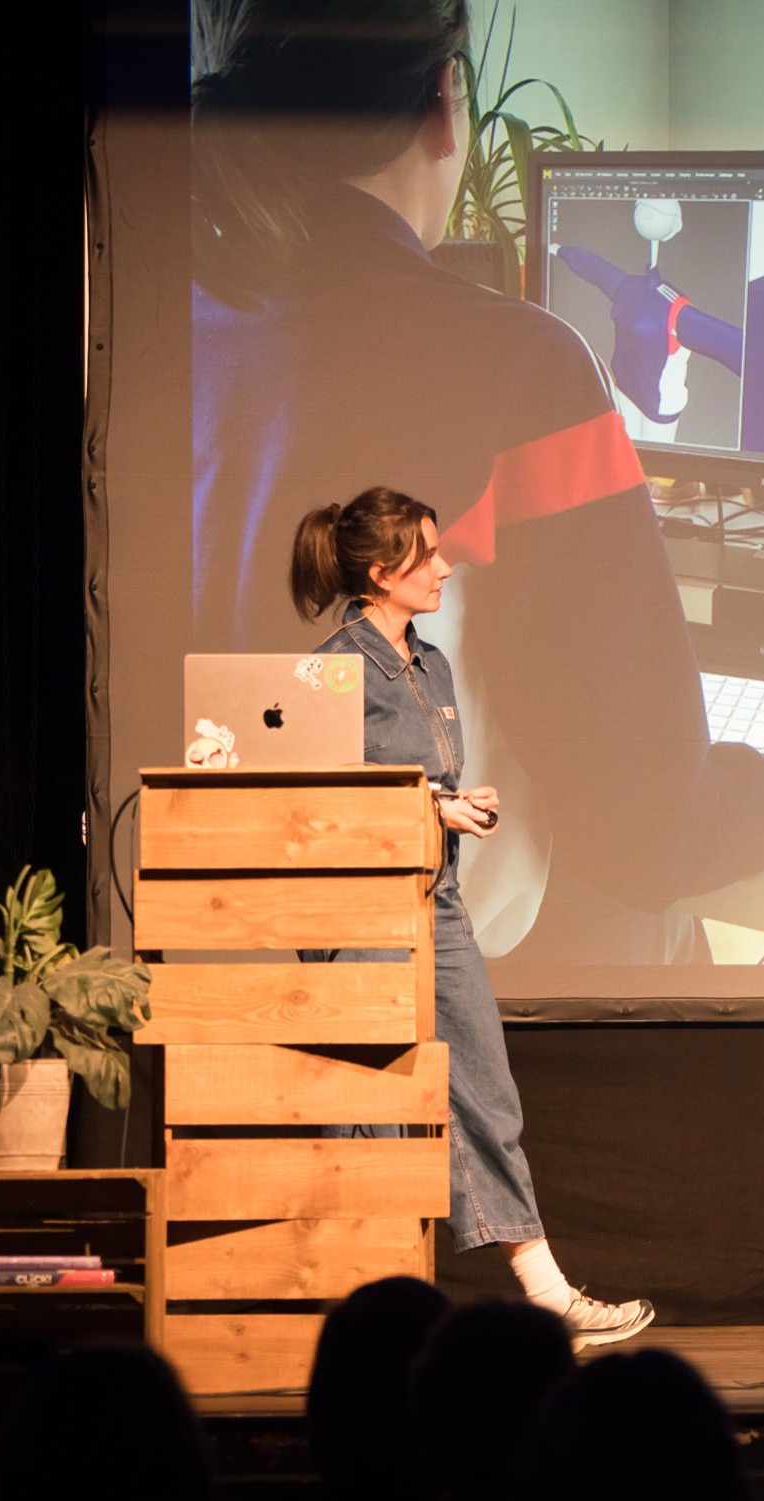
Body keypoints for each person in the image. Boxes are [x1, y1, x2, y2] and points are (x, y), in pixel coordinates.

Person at [191, 0, 764, 965]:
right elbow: (654, 833)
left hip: (229, 970)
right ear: (446, 105)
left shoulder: (175, 337)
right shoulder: (515, 369)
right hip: (444, 1005)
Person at [291, 486, 653, 1347]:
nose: (446, 565)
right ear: (383, 573)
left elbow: (421, 784)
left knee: (485, 1091)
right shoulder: (329, 669)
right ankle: (359, 1314)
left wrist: (454, 805)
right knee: (370, 1110)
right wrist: (427, 808)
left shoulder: (434, 664)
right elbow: (313, 806)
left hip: (436, 903)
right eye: (426, 554)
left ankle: (546, 1292)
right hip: (361, 915)